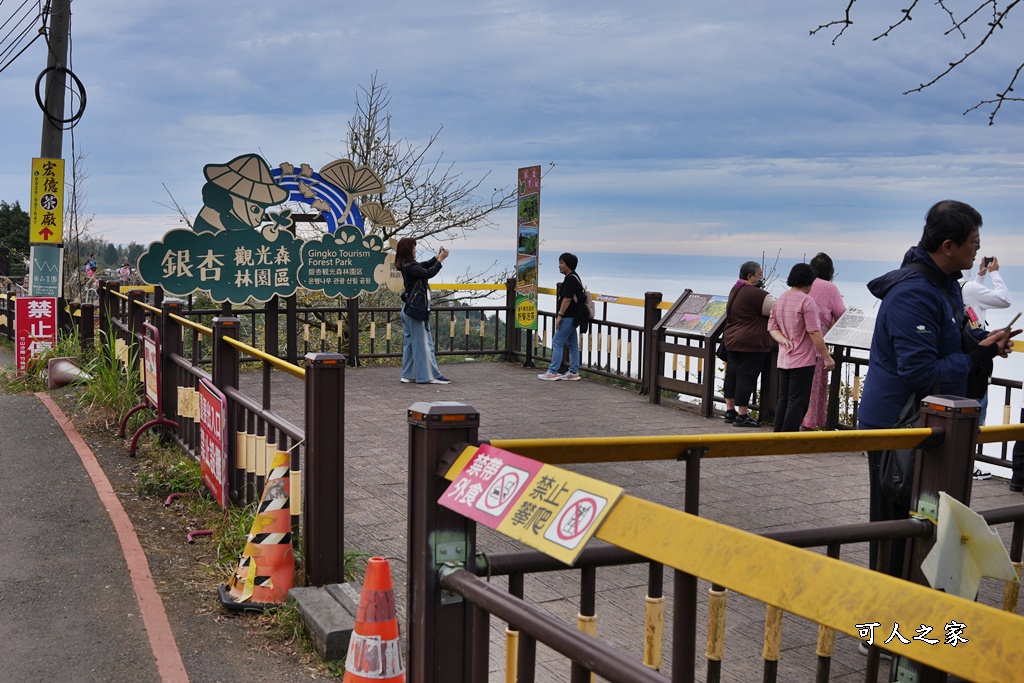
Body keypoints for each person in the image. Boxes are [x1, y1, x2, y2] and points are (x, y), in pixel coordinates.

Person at [859, 200, 1016, 578]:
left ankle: (919, 620)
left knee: (928, 528)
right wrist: (976, 356)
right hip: (897, 425)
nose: (978, 249)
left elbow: (949, 343)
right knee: (895, 529)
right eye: (973, 241)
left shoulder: (944, 287)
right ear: (948, 246)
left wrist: (983, 342)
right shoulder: (914, 293)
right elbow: (921, 372)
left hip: (929, 423)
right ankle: (878, 630)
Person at [768, 263, 835, 432]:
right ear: (809, 281)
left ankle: (778, 435)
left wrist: (782, 340)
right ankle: (789, 439)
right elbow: (814, 332)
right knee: (798, 401)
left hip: (784, 358)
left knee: (784, 399)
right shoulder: (807, 301)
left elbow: (772, 327)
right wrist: (826, 356)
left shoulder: (781, 298)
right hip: (803, 359)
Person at [960, 255, 1012, 443]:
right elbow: (1005, 299)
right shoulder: (971, 289)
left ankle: (962, 464)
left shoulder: (954, 289)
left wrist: (980, 277)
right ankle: (969, 466)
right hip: (978, 359)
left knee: (960, 417)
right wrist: (994, 272)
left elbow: (972, 298)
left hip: (963, 357)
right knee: (975, 417)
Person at [722, 261, 776, 427]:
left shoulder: (735, 289)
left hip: (731, 339)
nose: (761, 278)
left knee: (732, 375)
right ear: (750, 276)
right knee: (747, 376)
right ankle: (742, 415)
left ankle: (730, 410)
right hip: (750, 343)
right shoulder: (755, 294)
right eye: (759, 275)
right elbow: (775, 308)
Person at [801, 253, 847, 430]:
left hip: (795, 343)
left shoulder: (804, 286)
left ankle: (795, 419)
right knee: (815, 385)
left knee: (798, 385)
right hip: (818, 343)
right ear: (830, 271)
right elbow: (841, 314)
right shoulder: (829, 288)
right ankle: (809, 422)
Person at [396, 237, 451, 385]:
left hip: (408, 309)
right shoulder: (411, 267)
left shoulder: (407, 266)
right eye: (414, 247)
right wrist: (440, 260)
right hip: (415, 311)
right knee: (424, 345)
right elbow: (429, 273)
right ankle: (429, 376)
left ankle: (408, 374)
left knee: (409, 345)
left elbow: (425, 266)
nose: (415, 250)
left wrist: (436, 257)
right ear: (409, 250)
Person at [537, 253, 583, 381]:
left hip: (568, 316)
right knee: (572, 344)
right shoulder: (575, 277)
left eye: (562, 263)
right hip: (575, 316)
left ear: (568, 265)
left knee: (557, 342)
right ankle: (573, 371)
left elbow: (567, 299)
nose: (559, 266)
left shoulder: (570, 279)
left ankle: (553, 371)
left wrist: (560, 316)